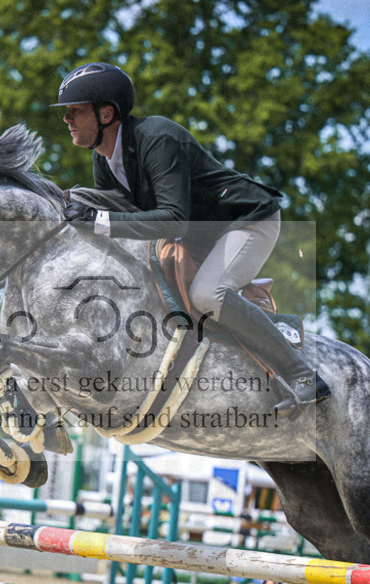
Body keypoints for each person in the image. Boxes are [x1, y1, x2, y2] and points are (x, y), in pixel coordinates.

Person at [53, 62, 330, 417]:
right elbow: (125, 226)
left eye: (75, 110)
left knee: (207, 294)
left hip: (246, 220)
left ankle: (302, 374)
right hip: (204, 236)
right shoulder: (103, 159)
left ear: (106, 114)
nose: (67, 119)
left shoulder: (157, 137)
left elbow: (173, 218)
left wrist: (97, 219)